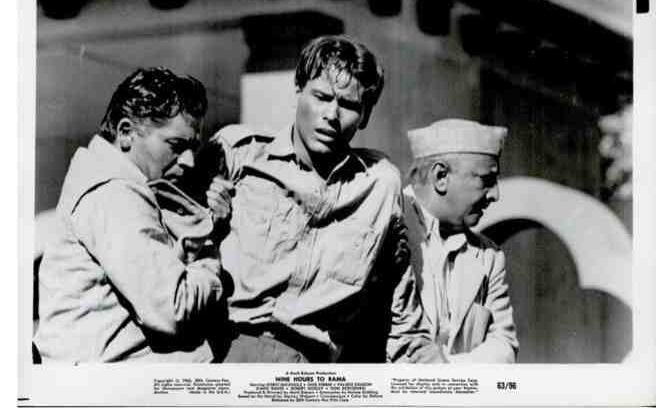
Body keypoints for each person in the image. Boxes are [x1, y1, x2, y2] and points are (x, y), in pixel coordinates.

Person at [196, 35, 438, 363]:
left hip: (307, 367)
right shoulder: (239, 152)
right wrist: (208, 218)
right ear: (298, 89)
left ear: (365, 115)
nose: (331, 115)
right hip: (220, 350)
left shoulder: (379, 185)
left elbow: (403, 311)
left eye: (349, 105)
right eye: (321, 97)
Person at [34, 67, 231, 363]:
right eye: (176, 146)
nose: (188, 161)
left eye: (192, 148)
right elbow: (174, 308)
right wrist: (209, 257)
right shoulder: (114, 195)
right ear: (126, 133)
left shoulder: (107, 183)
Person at [403, 118, 519, 363]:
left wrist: (447, 367)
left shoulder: (490, 256)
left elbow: (505, 346)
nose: (496, 195)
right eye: (487, 180)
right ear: (441, 176)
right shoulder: (385, 227)